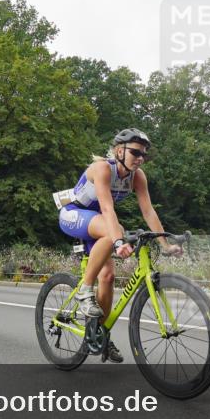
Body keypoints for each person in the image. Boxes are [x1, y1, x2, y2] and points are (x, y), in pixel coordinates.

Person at [57, 128, 182, 363]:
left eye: (144, 154)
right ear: (119, 151)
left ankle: (99, 335)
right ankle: (84, 291)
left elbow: (148, 210)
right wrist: (118, 242)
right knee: (116, 231)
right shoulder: (103, 168)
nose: (140, 158)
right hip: (74, 214)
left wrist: (164, 244)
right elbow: (107, 208)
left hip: (99, 223)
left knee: (108, 277)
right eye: (135, 152)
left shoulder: (138, 176)